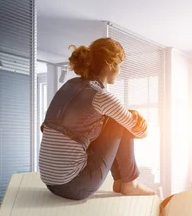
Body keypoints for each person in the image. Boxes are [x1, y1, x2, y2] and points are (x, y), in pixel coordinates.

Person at [39, 37, 156, 200]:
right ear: (110, 64)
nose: (119, 70)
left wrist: (126, 113)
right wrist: (135, 117)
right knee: (118, 121)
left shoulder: (70, 85)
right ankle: (130, 184)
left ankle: (120, 181)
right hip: (74, 186)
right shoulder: (101, 96)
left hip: (50, 183)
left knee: (114, 117)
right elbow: (139, 132)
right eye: (119, 65)